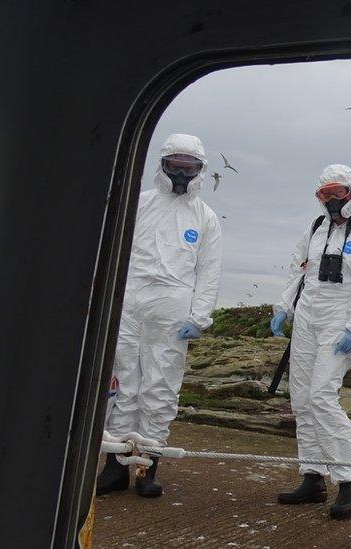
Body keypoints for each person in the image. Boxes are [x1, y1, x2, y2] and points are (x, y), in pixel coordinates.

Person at [99, 133, 223, 498]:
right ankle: (115, 465)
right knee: (124, 384)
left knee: (160, 387)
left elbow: (210, 270)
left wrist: (199, 317)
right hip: (131, 301)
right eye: (175, 166)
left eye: (190, 167)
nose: (182, 174)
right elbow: (117, 250)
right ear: (163, 165)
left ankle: (148, 466)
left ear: (200, 170)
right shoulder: (140, 204)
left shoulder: (205, 217)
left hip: (172, 307)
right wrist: (110, 299)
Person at [270, 164, 351, 520]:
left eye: (339, 193)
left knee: (322, 394)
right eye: (326, 194)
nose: (333, 200)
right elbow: (298, 270)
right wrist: (284, 307)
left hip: (340, 317)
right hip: (308, 314)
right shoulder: (316, 227)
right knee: (302, 396)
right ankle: (313, 475)